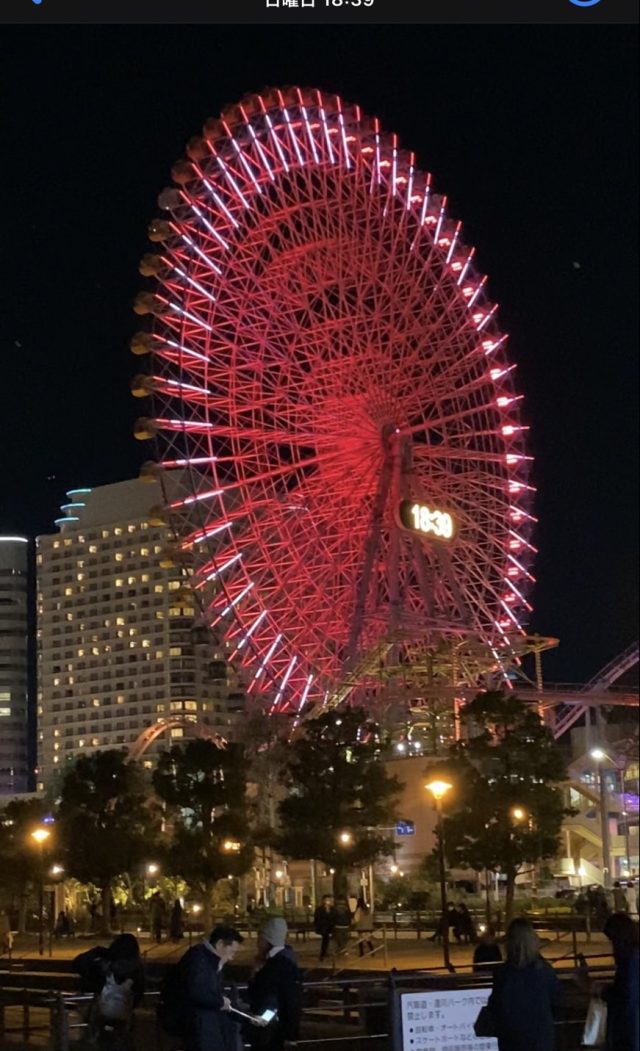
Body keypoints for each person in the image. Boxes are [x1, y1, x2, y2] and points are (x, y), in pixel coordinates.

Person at [487, 918, 562, 1051]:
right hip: (540, 1035)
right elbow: (556, 998)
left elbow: (495, 1005)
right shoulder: (544, 970)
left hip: (511, 1036)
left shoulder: (503, 973)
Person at [179, 923, 244, 1051]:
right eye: (231, 952)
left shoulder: (208, 959)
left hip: (202, 1022)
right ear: (220, 944)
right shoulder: (201, 960)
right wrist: (221, 1001)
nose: (232, 957)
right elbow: (198, 991)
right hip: (199, 1023)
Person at [246, 917, 302, 1050]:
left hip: (272, 1031)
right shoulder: (286, 961)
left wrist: (263, 1019)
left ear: (268, 940)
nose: (257, 943)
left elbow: (275, 1001)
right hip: (278, 1028)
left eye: (260, 938)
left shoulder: (275, 965)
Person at [601, 912, 639, 1051]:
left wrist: (604, 992)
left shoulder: (629, 961)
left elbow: (625, 995)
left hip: (628, 1028)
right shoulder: (633, 958)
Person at [313, 895, 336, 961]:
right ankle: (323, 953)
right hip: (324, 927)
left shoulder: (332, 909)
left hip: (330, 927)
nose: (328, 902)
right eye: (327, 900)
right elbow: (317, 918)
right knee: (325, 940)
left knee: (328, 940)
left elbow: (334, 917)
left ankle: (326, 952)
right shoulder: (320, 909)